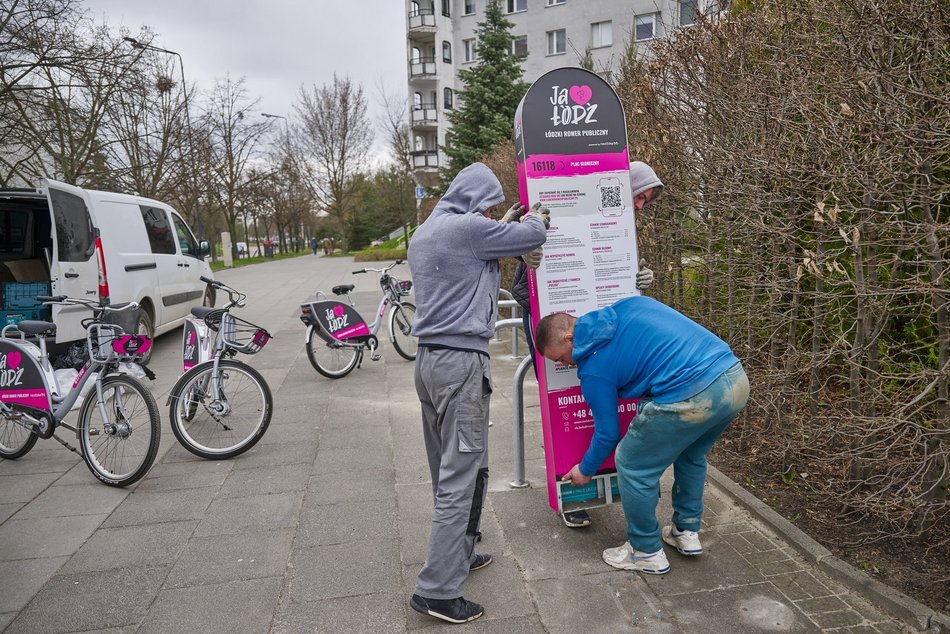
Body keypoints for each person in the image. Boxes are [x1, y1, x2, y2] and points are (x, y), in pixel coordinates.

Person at [407, 162, 549, 624]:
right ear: (473, 199)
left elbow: (476, 255)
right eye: (487, 205)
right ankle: (437, 592)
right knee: (461, 475)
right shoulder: (468, 230)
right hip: (461, 364)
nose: (490, 214)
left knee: (448, 468)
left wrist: (500, 226)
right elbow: (531, 237)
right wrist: (535, 219)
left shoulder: (426, 232)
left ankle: (458, 554)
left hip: (429, 362)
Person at [533, 298, 749, 574]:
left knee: (633, 464)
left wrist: (586, 470)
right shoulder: (629, 306)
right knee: (691, 454)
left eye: (561, 358)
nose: (566, 364)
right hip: (733, 377)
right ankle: (685, 531)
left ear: (570, 337)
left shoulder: (593, 370)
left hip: (692, 393)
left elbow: (608, 433)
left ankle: (645, 550)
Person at [510, 160, 664, 528]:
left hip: (608, 347)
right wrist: (528, 263)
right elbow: (518, 290)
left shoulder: (620, 229)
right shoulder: (558, 219)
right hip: (563, 342)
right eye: (639, 196)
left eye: (645, 201)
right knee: (564, 413)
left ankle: (613, 480)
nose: (640, 206)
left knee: (610, 413)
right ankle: (571, 492)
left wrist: (638, 282)